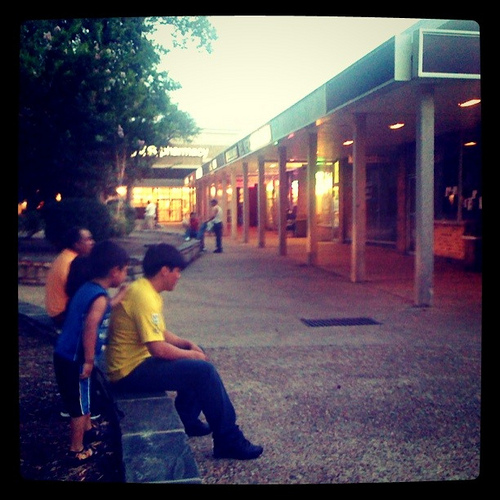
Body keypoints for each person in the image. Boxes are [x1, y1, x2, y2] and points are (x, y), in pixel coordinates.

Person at [106, 243, 263, 460]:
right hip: (128, 372)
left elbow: (158, 332)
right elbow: (158, 349)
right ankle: (228, 440)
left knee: (196, 359)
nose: (179, 276)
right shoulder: (143, 296)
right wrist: (191, 355)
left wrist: (187, 344)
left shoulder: (145, 290)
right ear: (164, 270)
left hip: (136, 363)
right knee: (202, 370)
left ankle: (187, 420)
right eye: (177, 271)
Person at [53, 240, 129, 466]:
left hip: (64, 355)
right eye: (124, 270)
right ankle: (76, 449)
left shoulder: (90, 289)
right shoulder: (99, 297)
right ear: (114, 271)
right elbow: (90, 326)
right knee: (79, 405)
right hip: (76, 359)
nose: (125, 275)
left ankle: (88, 430)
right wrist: (88, 360)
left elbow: (101, 307)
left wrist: (118, 298)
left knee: (83, 397)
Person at [45, 227, 95, 329]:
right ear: (76, 244)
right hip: (63, 315)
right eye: (88, 239)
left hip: (55, 313)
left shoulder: (64, 256)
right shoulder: (74, 263)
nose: (92, 242)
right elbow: (80, 294)